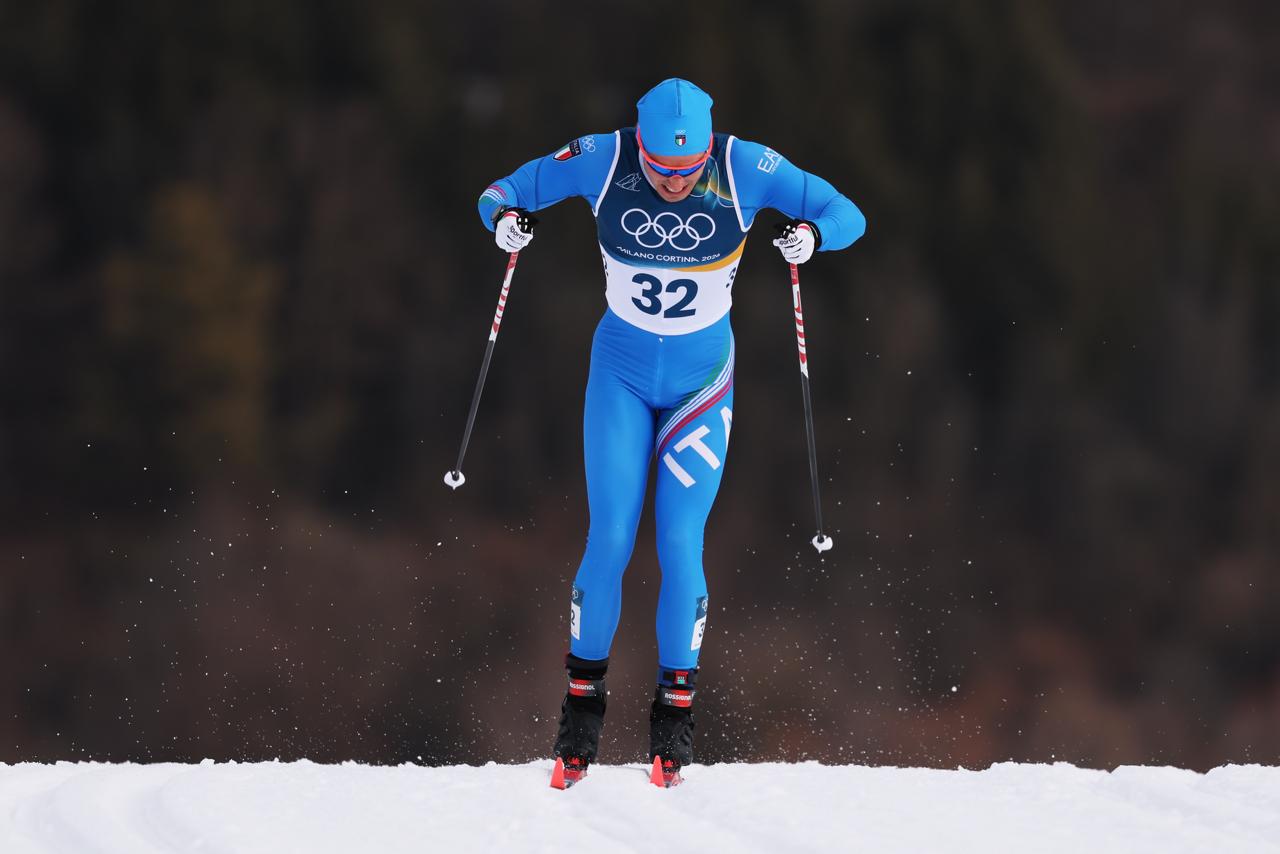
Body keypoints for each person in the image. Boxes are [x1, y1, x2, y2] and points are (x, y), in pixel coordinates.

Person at [476, 78, 866, 779]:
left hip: (700, 386)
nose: (675, 184)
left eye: (688, 172)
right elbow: (507, 189)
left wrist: (814, 235)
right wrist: (503, 219)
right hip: (620, 377)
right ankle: (580, 717)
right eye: (660, 170)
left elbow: (847, 213)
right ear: (642, 146)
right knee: (613, 535)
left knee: (681, 539)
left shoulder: (747, 166)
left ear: (709, 150)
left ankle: (674, 724)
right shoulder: (603, 157)